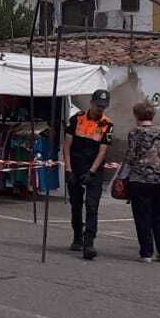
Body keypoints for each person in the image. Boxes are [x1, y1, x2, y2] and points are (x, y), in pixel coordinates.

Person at [63, 89, 113, 260]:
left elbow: (103, 151)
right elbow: (67, 146)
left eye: (103, 106)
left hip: (94, 170)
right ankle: (77, 236)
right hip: (75, 167)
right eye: (98, 105)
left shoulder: (107, 124)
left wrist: (91, 172)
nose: (100, 109)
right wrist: (68, 169)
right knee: (76, 205)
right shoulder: (76, 119)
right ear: (91, 103)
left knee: (92, 207)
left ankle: (89, 242)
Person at [123, 101, 160, 262]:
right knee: (159, 216)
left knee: (142, 216)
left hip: (141, 179)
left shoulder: (135, 133)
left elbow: (131, 156)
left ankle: (146, 253)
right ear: (152, 115)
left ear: (136, 115)